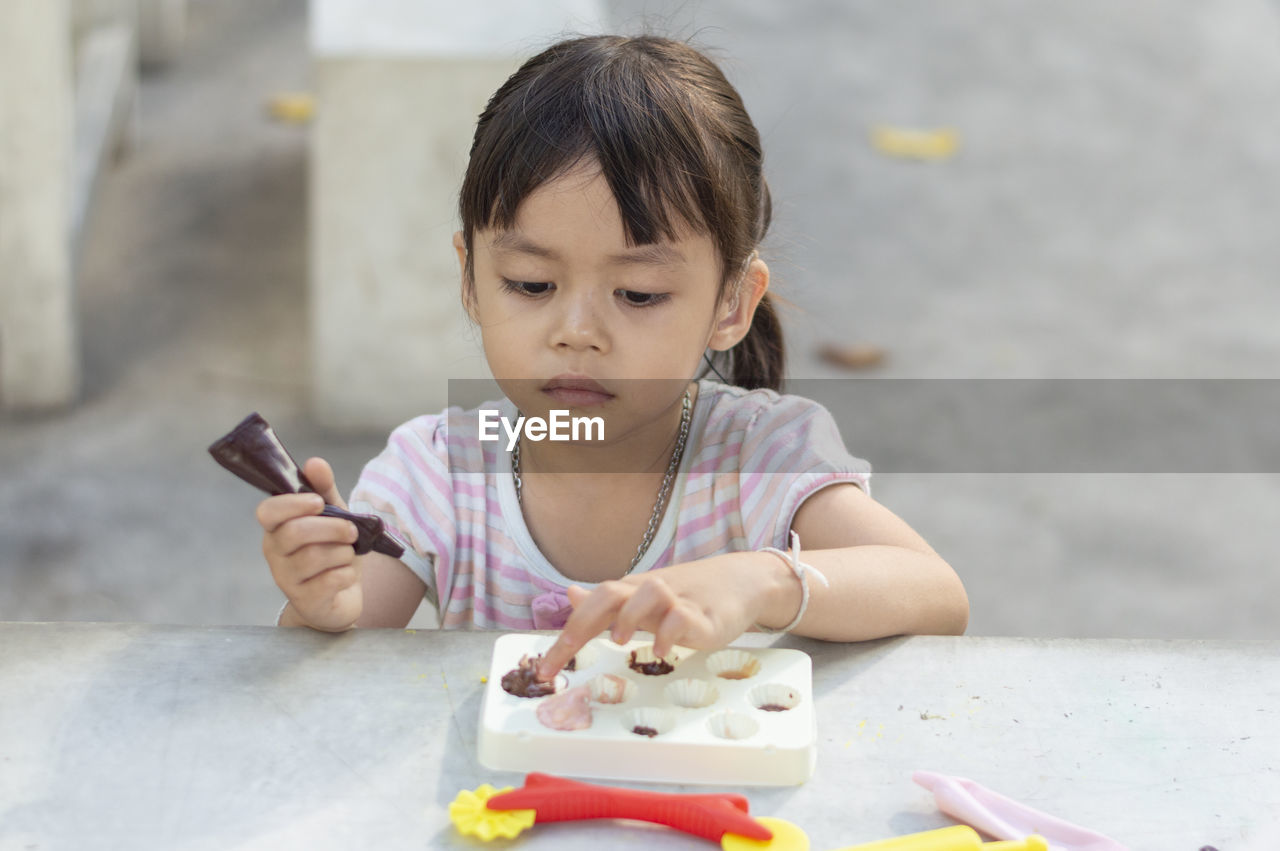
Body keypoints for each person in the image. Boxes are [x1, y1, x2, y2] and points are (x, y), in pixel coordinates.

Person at [256, 34, 968, 681]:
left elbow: (936, 593)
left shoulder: (759, 453)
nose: (577, 331)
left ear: (730, 303)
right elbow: (330, 674)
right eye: (531, 284)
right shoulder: (435, 473)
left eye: (638, 293)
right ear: (470, 278)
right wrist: (320, 606)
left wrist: (760, 581)